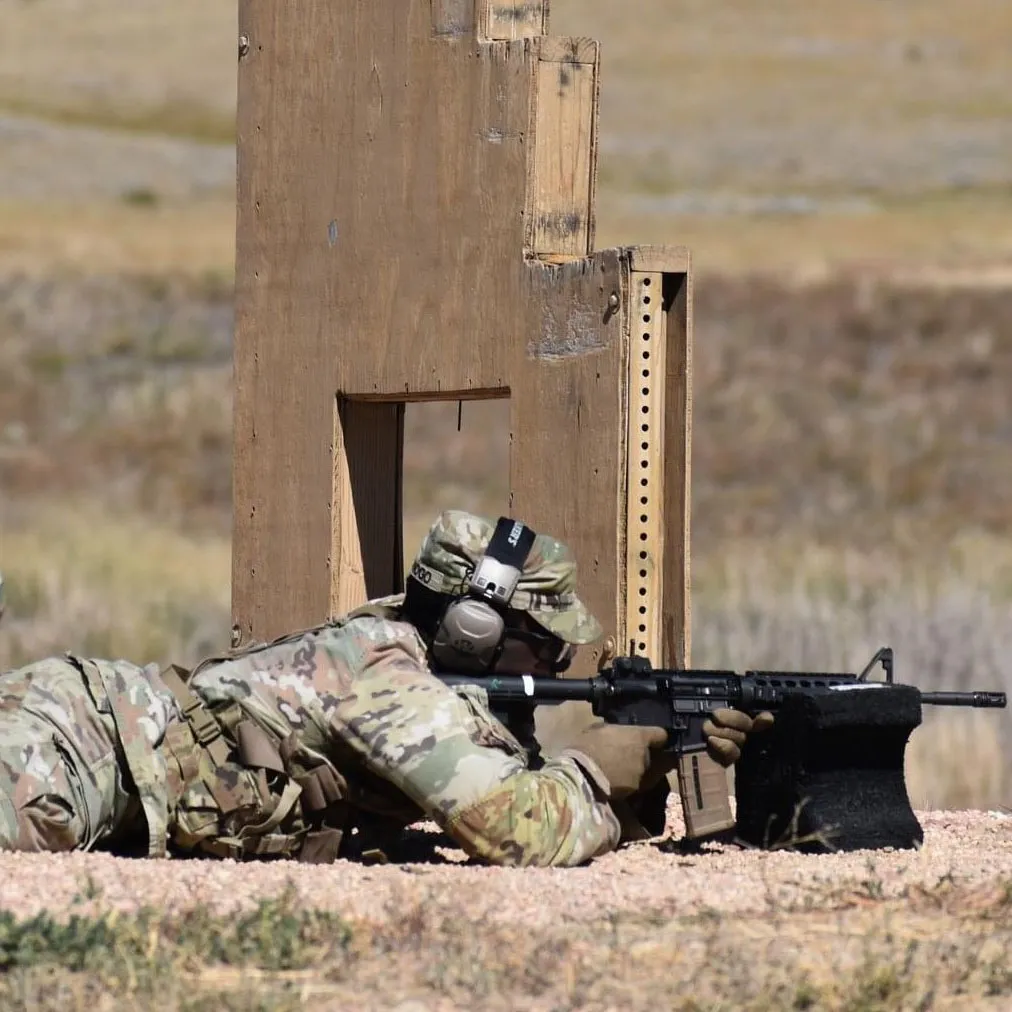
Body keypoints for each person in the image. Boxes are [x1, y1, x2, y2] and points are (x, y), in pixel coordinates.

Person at [0, 510, 771, 866]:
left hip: (100, 754)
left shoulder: (418, 664)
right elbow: (523, 832)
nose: (559, 660)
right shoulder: (387, 677)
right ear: (475, 628)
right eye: (541, 639)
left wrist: (644, 776)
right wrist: (604, 763)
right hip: (73, 748)